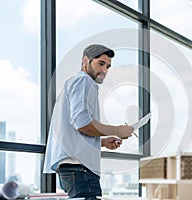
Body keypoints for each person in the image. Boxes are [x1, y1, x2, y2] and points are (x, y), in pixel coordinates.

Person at [43, 44, 134, 199]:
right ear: (85, 61)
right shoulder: (84, 81)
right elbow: (82, 124)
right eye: (100, 64)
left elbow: (73, 130)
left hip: (72, 168)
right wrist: (117, 130)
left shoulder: (74, 83)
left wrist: (103, 142)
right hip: (80, 169)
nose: (104, 70)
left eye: (108, 66)